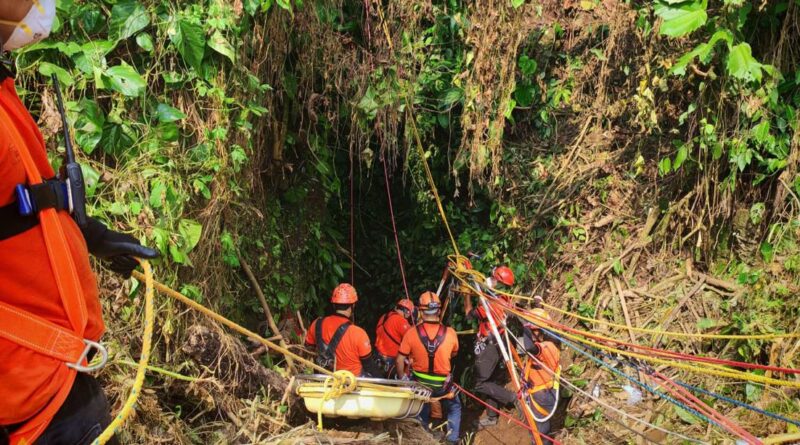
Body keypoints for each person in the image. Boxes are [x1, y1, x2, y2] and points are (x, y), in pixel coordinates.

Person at [0, 3, 159, 444]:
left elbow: (19, 207)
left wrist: (86, 233)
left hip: (56, 384)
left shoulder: (2, 93)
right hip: (28, 394)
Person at [397, 291, 461, 445]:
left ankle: (423, 436)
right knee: (455, 408)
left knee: (422, 405)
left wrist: (403, 379)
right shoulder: (451, 333)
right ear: (438, 311)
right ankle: (452, 440)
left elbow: (400, 360)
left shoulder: (411, 333)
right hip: (442, 386)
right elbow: (453, 353)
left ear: (420, 310)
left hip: (420, 384)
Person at [463, 265, 518, 428]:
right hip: (499, 343)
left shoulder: (492, 304)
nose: (490, 280)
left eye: (493, 278)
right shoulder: (506, 300)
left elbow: (468, 315)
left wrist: (466, 295)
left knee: (480, 383)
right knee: (490, 380)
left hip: (489, 346)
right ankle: (492, 417)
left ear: (498, 282)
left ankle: (511, 398)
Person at [304, 283, 382, 377]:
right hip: (353, 381)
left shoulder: (317, 324)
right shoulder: (358, 333)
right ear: (352, 306)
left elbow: (308, 348)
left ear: (334, 305)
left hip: (325, 377)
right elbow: (369, 365)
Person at [521, 302, 561, 445]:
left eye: (532, 331)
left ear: (539, 332)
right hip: (543, 392)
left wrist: (524, 328)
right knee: (540, 430)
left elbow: (530, 348)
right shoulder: (552, 345)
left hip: (542, 395)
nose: (530, 335)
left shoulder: (545, 347)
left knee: (540, 433)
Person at [374, 298, 414, 377]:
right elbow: (413, 338)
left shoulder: (384, 316)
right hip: (391, 361)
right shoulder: (401, 321)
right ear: (407, 312)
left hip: (377, 356)